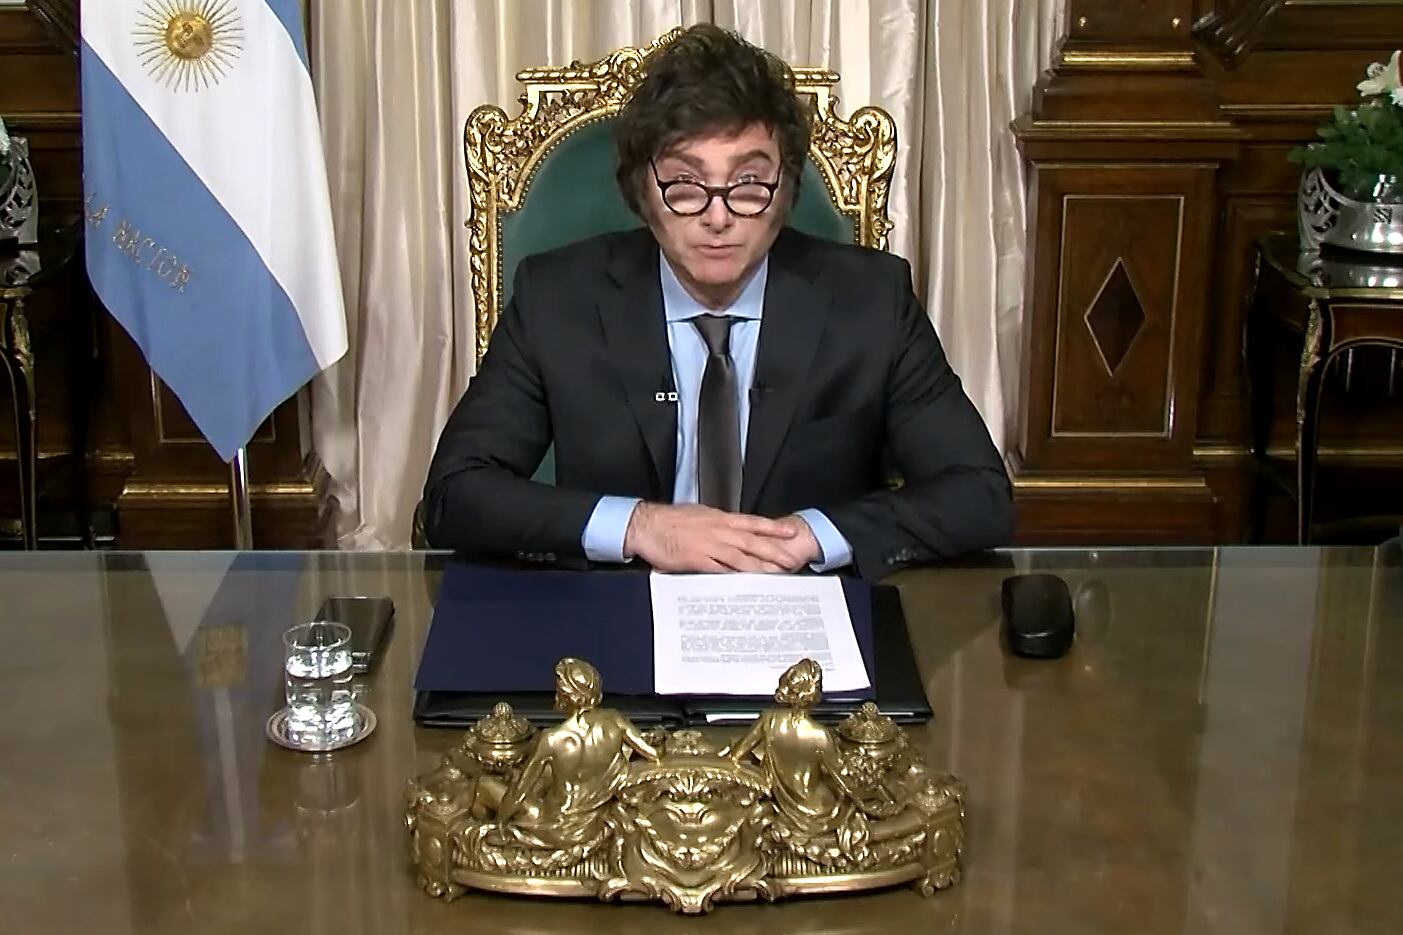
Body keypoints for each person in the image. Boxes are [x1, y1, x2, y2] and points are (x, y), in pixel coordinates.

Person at [424, 24, 1013, 578]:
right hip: (616, 609)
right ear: (641, 191)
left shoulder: (872, 300)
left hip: (804, 606)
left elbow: (979, 493)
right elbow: (455, 493)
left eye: (748, 184)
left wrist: (813, 536)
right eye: (685, 184)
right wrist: (639, 526)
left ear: (786, 189)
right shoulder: (557, 298)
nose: (718, 216)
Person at [495, 658, 659, 849]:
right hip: (595, 822)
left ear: (565, 695)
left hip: (558, 827)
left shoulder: (552, 739)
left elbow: (519, 791)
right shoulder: (615, 719)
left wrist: (500, 821)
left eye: (558, 690)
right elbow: (652, 754)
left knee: (485, 786)